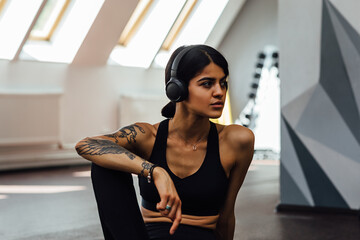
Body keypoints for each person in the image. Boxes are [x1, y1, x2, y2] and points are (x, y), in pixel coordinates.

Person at [75, 44, 254, 240]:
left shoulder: (235, 140)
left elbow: (227, 216)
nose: (219, 92)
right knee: (103, 166)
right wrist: (155, 171)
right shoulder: (148, 135)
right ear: (177, 89)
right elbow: (86, 145)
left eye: (223, 83)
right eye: (207, 83)